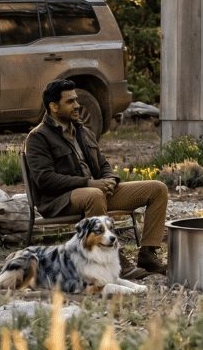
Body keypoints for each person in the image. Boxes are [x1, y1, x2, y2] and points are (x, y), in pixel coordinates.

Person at [26, 79, 170, 275]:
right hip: (59, 200)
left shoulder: (82, 130)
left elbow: (102, 163)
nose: (77, 105)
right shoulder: (38, 138)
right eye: (70, 102)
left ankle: (148, 254)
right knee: (94, 194)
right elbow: (45, 179)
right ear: (53, 107)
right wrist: (89, 183)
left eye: (76, 100)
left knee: (157, 189)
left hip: (96, 192)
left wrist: (110, 179)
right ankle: (114, 261)